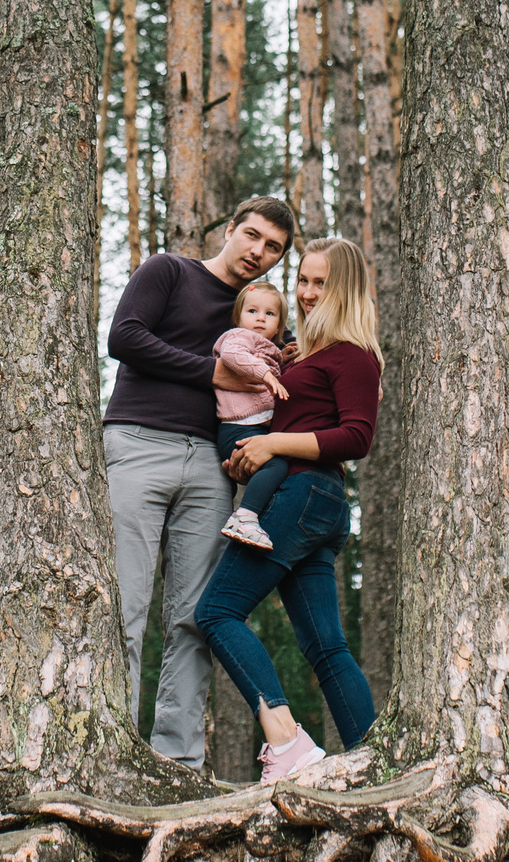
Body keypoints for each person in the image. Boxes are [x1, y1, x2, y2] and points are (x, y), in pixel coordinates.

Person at [103, 196, 297, 768]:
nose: (258, 252)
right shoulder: (168, 270)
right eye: (253, 236)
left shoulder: (256, 314)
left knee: (194, 617)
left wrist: (254, 449)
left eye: (273, 248)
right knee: (125, 606)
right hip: (139, 444)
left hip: (212, 469)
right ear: (231, 229)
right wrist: (214, 369)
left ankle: (177, 763)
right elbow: (125, 337)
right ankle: (111, 752)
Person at [192, 237, 381, 781]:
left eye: (320, 283)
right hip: (308, 502)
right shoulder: (310, 352)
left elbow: (356, 436)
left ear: (344, 289)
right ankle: (374, 769)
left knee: (217, 612)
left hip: (304, 496)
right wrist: (251, 454)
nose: (305, 293)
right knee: (325, 646)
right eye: (302, 280)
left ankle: (288, 742)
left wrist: (272, 446)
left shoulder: (353, 354)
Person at [214, 283, 291, 550]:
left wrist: (283, 358)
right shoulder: (237, 336)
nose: (260, 317)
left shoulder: (268, 348)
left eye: (270, 314)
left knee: (279, 466)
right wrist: (266, 374)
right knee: (276, 466)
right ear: (238, 317)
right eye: (253, 310)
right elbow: (234, 356)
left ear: (279, 325)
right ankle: (245, 516)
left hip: (254, 428)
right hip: (238, 427)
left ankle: (254, 517)